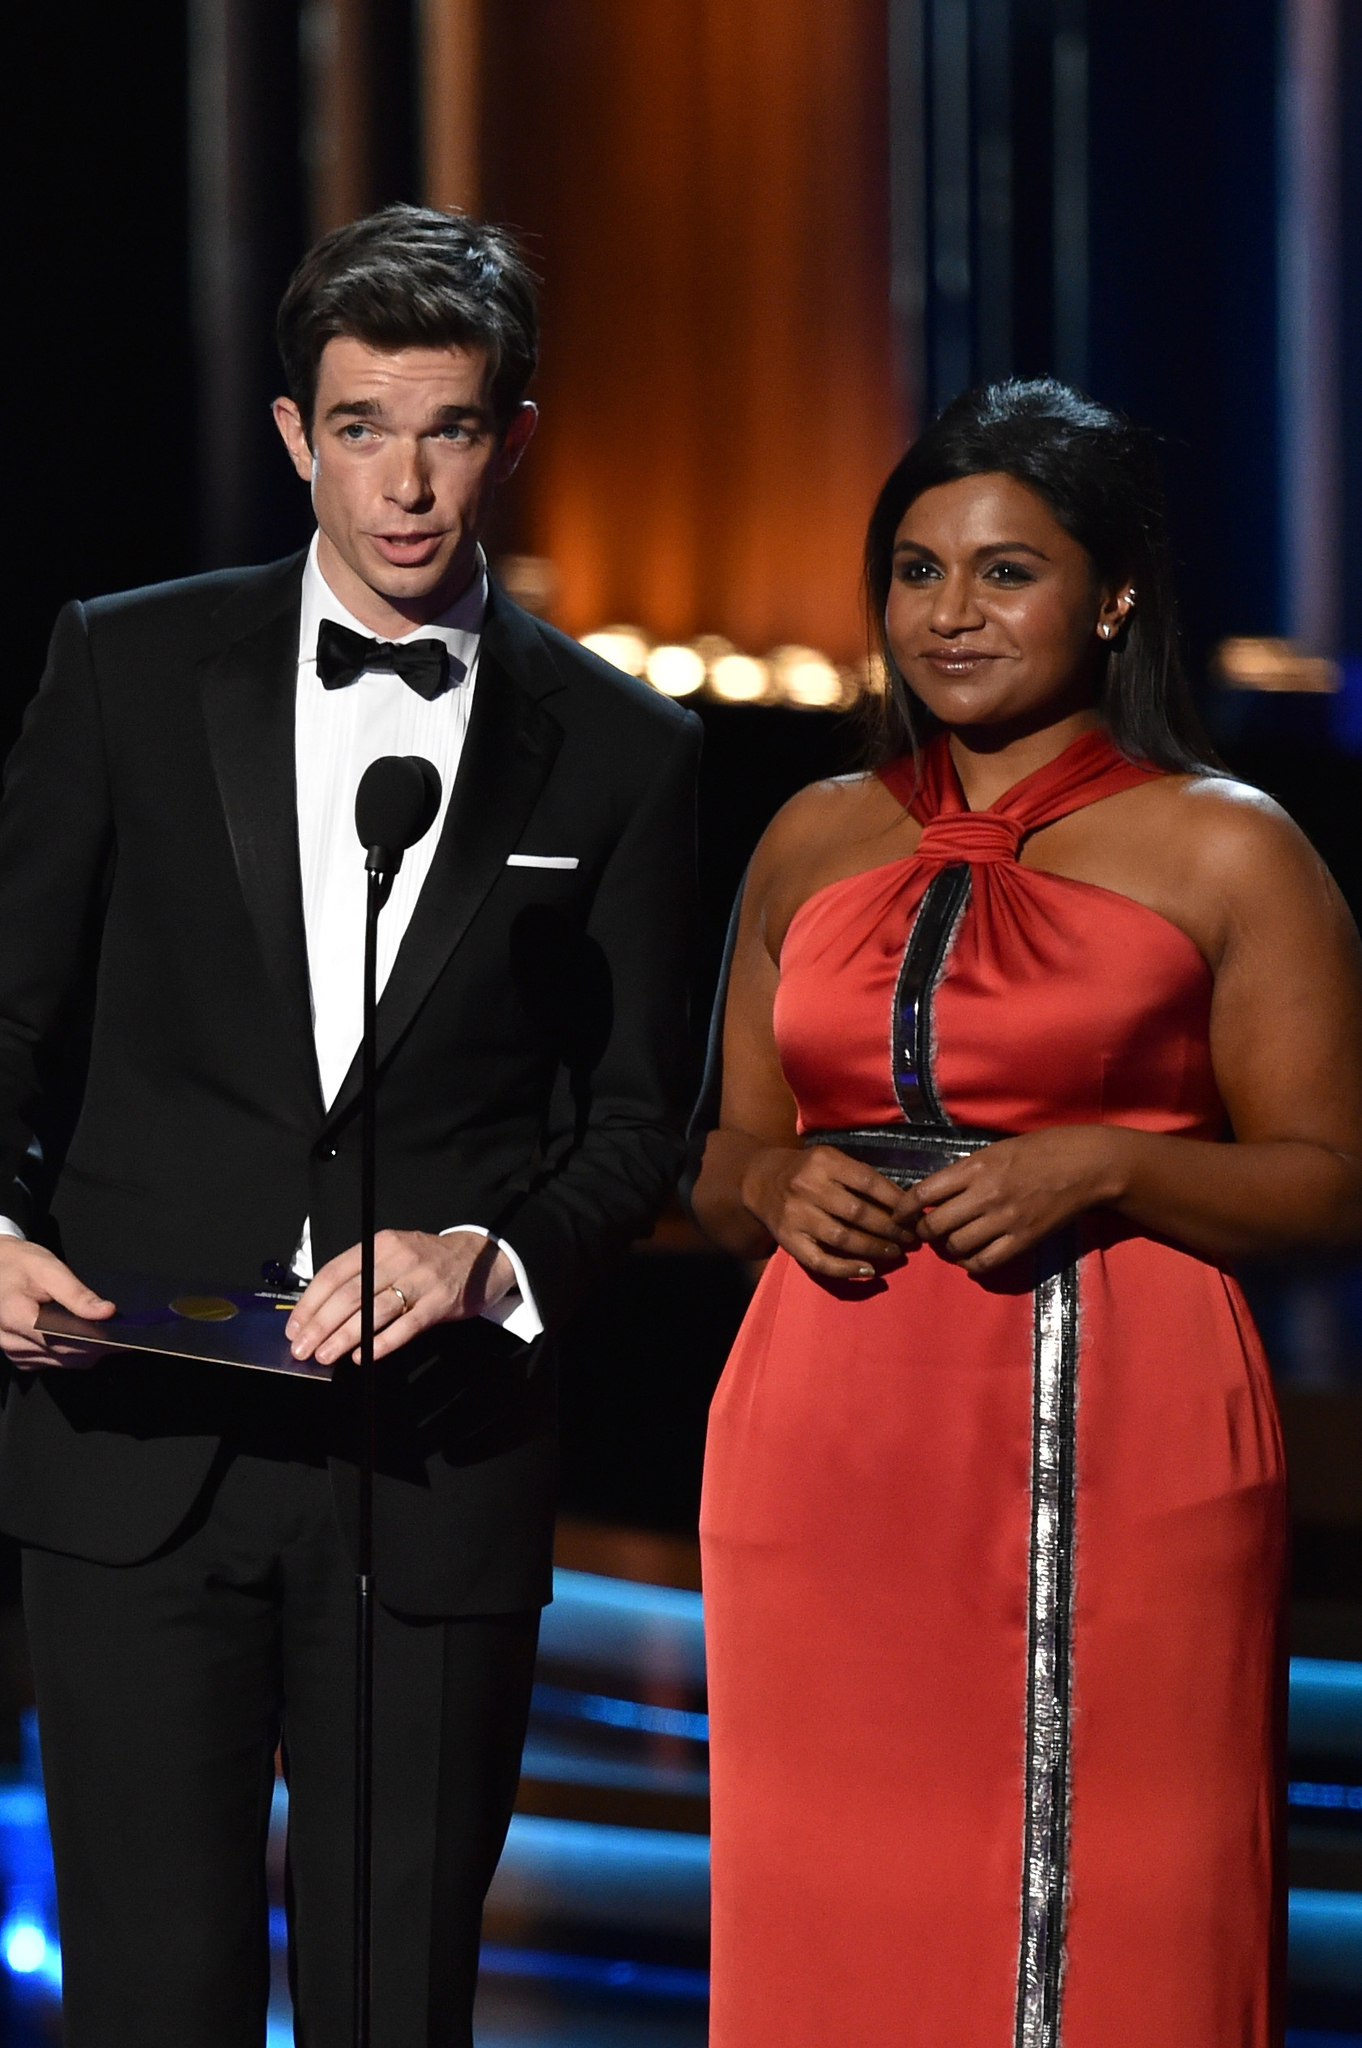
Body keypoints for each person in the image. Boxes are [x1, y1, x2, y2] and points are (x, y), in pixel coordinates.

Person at [0, 204, 699, 2046]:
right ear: (298, 432)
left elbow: (641, 1122)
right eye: (365, 428)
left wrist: (490, 1258)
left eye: (451, 429)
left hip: (432, 1468)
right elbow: (7, 1016)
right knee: (152, 2001)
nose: (407, 485)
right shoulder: (127, 667)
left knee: (402, 2006)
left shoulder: (625, 750)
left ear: (516, 436)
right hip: (131, 1438)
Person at [688, 379, 1362, 2048]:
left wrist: (1112, 1163)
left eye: (1004, 571)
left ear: (1111, 590)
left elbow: (1328, 1180)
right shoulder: (809, 834)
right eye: (915, 573)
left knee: (1125, 1896)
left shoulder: (1227, 851)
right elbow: (713, 1157)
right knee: (831, 1891)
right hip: (821, 1441)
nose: (950, 615)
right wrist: (773, 1182)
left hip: (1124, 1433)